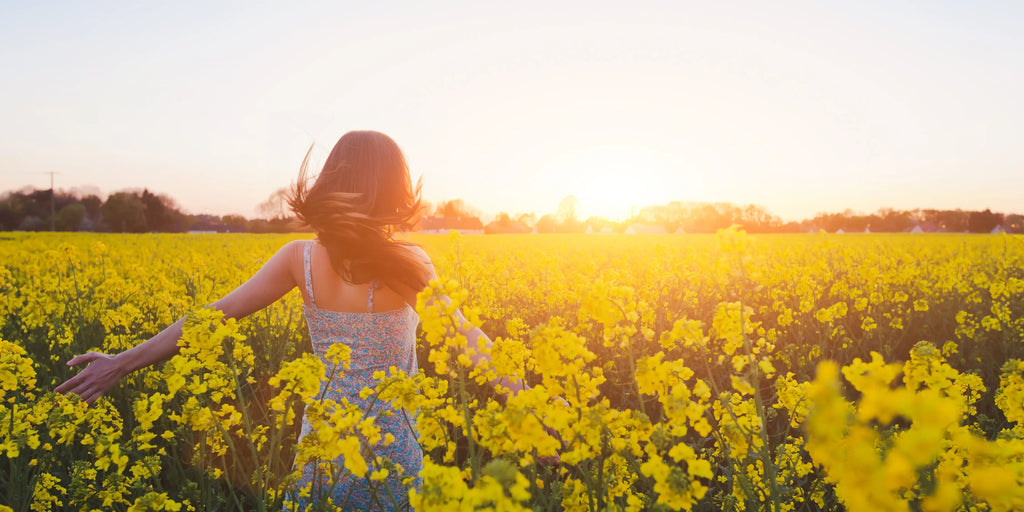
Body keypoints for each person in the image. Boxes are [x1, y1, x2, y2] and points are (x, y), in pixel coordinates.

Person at [55, 130, 526, 511]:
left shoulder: (296, 259)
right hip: (388, 451)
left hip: (320, 447)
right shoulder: (406, 263)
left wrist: (122, 362)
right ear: (392, 189)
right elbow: (469, 338)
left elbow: (206, 320)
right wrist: (529, 407)